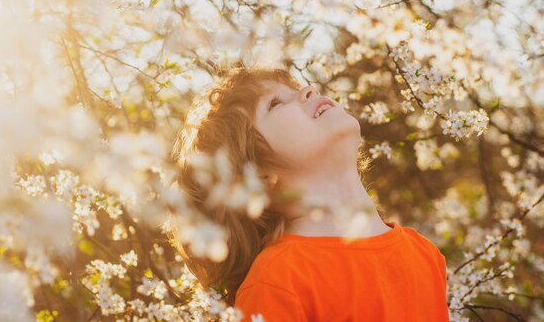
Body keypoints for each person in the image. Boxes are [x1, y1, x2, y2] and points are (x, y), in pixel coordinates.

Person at [171, 64, 450, 321]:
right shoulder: (277, 281)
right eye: (276, 103)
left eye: (298, 88)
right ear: (256, 176)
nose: (308, 90)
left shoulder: (425, 254)